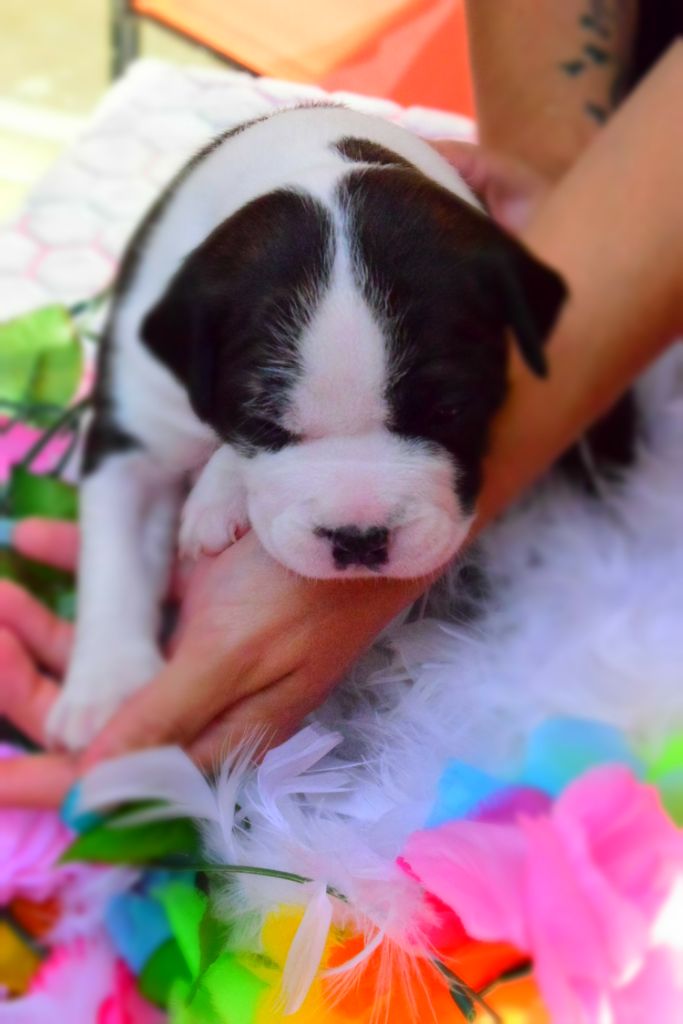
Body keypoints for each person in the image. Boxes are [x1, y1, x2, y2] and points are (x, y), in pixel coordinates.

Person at [1, 18, 681, 806]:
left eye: (439, 414)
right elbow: (127, 462)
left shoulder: (480, 283)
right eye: (275, 427)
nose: (361, 520)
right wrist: (113, 648)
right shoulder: (187, 293)